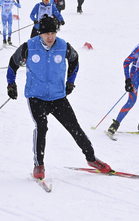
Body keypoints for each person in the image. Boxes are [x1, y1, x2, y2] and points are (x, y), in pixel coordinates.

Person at [6, 17, 111, 180]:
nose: (50, 37)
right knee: (42, 127)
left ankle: (91, 159)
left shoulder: (64, 47)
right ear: (40, 34)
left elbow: (75, 61)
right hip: (36, 96)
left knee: (74, 127)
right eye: (47, 33)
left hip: (57, 96)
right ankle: (38, 165)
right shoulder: (29, 47)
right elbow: (13, 63)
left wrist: (70, 82)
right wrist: (11, 85)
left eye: (53, 33)